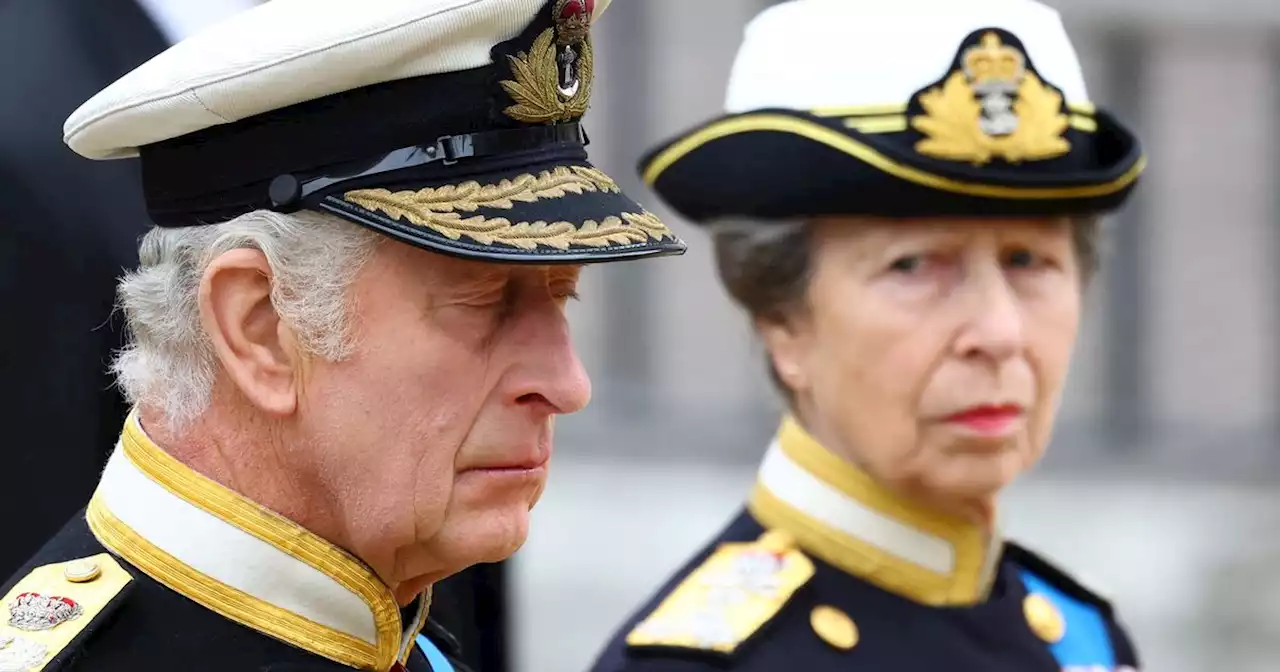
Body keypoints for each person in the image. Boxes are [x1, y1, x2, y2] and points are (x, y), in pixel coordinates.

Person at [0, 0, 684, 669]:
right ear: (260, 329)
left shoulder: (389, 634)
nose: (569, 385)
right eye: (481, 304)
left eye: (560, 299)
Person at [590, 0, 1145, 670]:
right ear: (781, 316)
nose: (998, 333)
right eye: (914, 266)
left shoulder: (1081, 641)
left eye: (1028, 261)